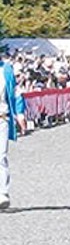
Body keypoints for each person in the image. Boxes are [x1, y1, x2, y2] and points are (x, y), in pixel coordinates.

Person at [1, 56, 18, 209]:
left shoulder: (6, 70)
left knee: (1, 155)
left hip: (2, 118)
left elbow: (14, 93)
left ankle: (3, 192)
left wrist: (19, 113)